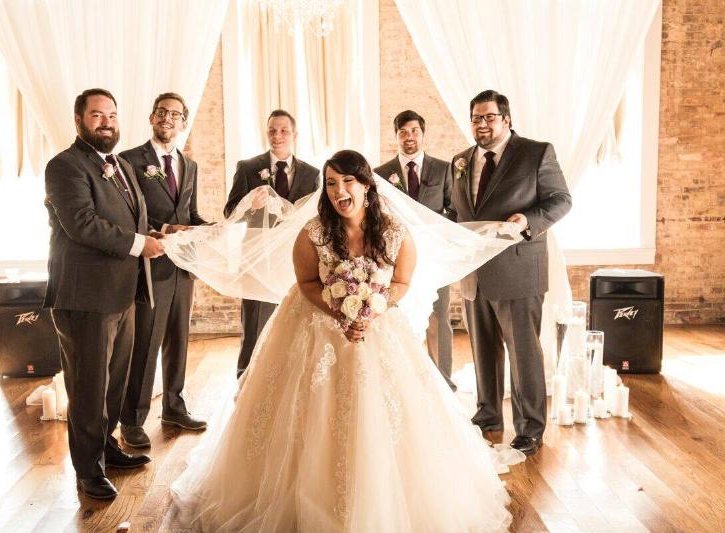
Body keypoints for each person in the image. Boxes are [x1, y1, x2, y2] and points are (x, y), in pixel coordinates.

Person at [170, 150, 515, 532]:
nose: (339, 191)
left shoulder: (395, 232)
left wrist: (371, 310)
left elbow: (401, 282)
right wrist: (341, 312)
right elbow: (306, 284)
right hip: (315, 328)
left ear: (366, 185)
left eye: (347, 181)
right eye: (331, 183)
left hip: (379, 327)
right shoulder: (313, 232)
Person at [44, 88, 164, 500]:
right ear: (79, 120)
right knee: (89, 386)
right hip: (85, 297)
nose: (106, 121)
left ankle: (106, 447)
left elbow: (130, 220)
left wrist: (156, 235)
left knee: (114, 382)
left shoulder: (122, 165)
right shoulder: (64, 167)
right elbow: (82, 224)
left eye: (112, 114)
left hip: (123, 292)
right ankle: (87, 470)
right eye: (97, 115)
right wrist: (137, 244)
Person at [450, 90, 572, 456]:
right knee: (483, 351)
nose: (481, 124)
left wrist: (526, 221)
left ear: (506, 119)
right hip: (475, 272)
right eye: (476, 118)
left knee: (523, 354)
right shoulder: (459, 160)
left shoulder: (536, 152)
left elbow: (561, 200)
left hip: (518, 269)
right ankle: (488, 415)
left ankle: (530, 427)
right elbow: (457, 211)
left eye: (489, 117)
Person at [118, 93, 208, 449]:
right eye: (162, 112)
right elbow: (129, 214)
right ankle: (132, 420)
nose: (168, 118)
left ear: (184, 122)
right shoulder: (129, 161)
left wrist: (213, 228)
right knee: (146, 345)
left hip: (182, 268)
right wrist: (167, 230)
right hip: (149, 267)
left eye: (176, 114)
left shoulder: (190, 165)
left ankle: (174, 406)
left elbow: (190, 214)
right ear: (151, 117)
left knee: (178, 341)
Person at [223, 109, 319, 378]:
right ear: (266, 133)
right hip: (257, 261)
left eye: (283, 130)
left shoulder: (312, 173)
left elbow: (314, 218)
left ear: (294, 135)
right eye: (272, 131)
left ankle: (290, 380)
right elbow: (229, 212)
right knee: (253, 325)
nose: (277, 136)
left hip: (294, 260)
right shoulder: (247, 168)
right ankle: (244, 382)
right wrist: (249, 205)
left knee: (294, 323)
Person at [374, 110, 457, 391]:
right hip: (397, 258)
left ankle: (443, 383)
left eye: (414, 131)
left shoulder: (444, 169)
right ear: (396, 136)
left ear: (423, 133)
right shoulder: (381, 174)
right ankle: (399, 382)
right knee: (398, 316)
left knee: (439, 317)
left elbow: (453, 211)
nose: (409, 137)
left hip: (434, 258)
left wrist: (434, 233)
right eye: (403, 132)